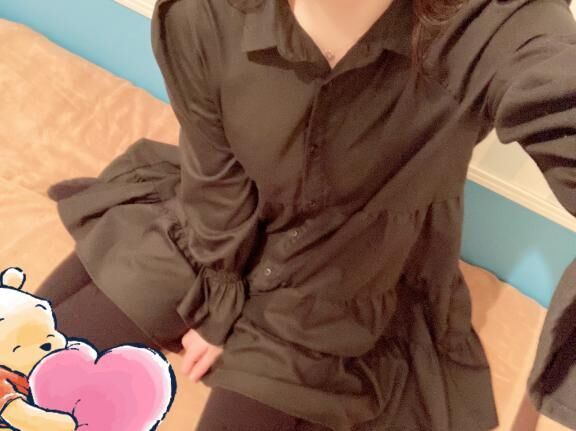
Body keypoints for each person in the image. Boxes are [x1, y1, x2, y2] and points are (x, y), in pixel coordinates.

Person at [36, 0, 576, 429]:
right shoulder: (206, 15)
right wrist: (219, 302)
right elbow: (215, 178)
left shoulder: (495, 22)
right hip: (210, 233)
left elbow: (553, 82)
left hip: (341, 287)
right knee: (31, 368)